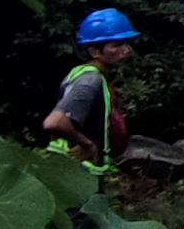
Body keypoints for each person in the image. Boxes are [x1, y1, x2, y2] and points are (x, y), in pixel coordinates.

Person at [45, 10, 138, 178]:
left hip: (79, 174)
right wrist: (86, 144)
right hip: (76, 176)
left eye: (126, 43)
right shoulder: (90, 81)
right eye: (116, 45)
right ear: (95, 52)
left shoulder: (91, 77)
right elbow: (55, 122)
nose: (126, 50)